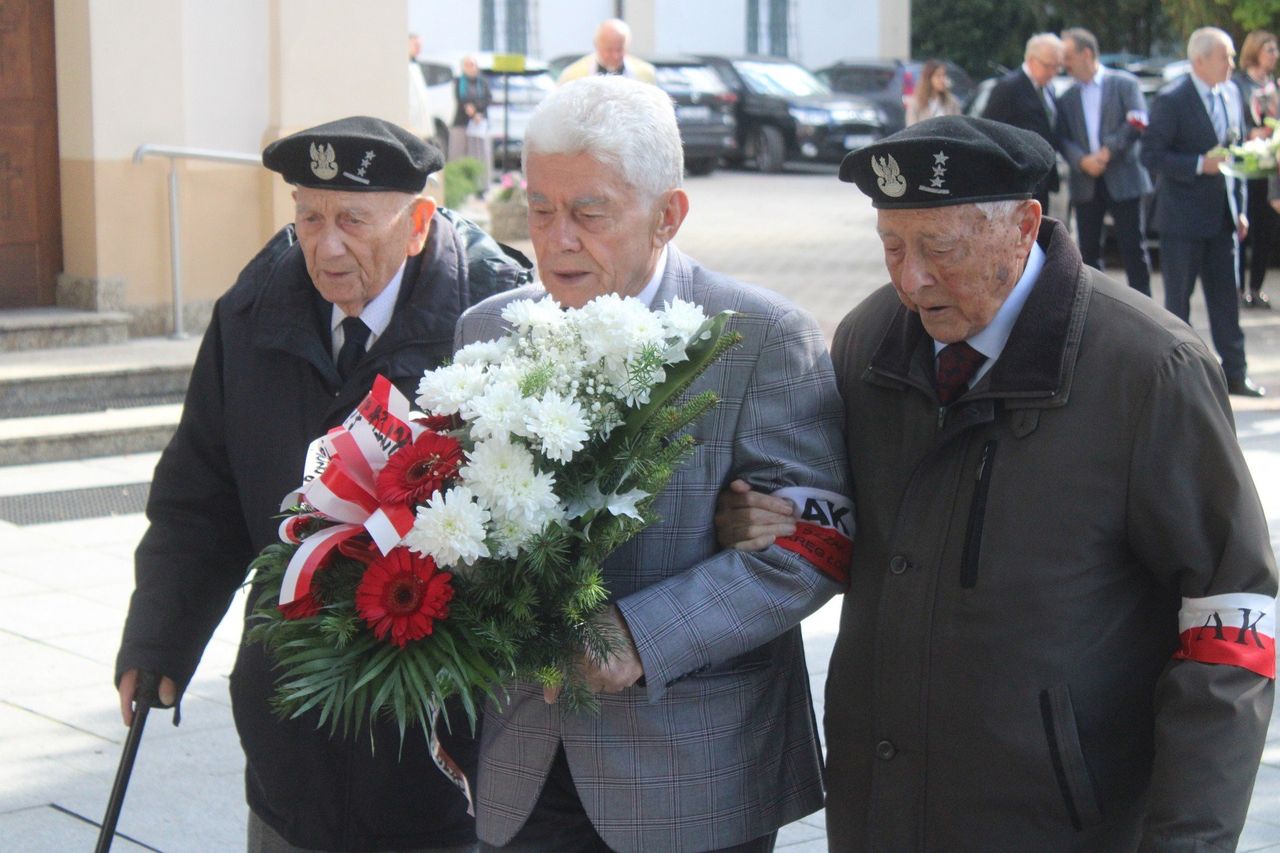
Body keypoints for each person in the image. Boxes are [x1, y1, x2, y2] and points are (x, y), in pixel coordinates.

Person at [716, 115, 1277, 850]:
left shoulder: (1148, 369)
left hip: (1060, 825)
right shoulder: (869, 340)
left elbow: (1231, 624)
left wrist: (1187, 840)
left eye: (939, 248)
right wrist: (765, 519)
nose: (912, 279)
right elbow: (859, 528)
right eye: (891, 246)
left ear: (1023, 225)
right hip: (881, 811)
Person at [458, 75, 852, 852]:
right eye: (539, 209)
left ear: (668, 214)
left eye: (588, 213)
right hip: (523, 762)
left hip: (692, 775)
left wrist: (638, 637)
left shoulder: (762, 338)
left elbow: (808, 553)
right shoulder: (485, 331)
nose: (556, 237)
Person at [115, 116, 529, 852]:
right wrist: (160, 636)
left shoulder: (493, 318)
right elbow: (199, 494)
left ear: (416, 223)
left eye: (351, 219)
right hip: (290, 736)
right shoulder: (251, 312)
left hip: (439, 743)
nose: (325, 244)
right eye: (308, 216)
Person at [1142, 27, 1264, 397]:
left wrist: (1240, 208)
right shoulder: (1172, 100)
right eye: (1224, 56)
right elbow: (1152, 155)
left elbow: (1236, 153)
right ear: (1200, 60)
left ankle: (1236, 373)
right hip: (1182, 220)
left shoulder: (1230, 93)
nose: (1231, 64)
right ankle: (1179, 380)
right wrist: (1198, 164)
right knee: (1178, 302)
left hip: (1224, 219)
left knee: (1226, 300)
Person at [1056, 27, 1153, 295]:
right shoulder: (1066, 98)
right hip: (1086, 181)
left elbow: (1138, 120)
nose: (1064, 64)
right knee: (1088, 253)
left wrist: (1108, 151)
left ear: (1086, 54)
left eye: (1068, 57)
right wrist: (1081, 161)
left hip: (1124, 178)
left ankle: (1147, 313)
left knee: (1134, 249)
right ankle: (1093, 311)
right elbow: (1061, 137)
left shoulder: (1125, 84)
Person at [982, 33, 1065, 209]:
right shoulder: (1008, 87)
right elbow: (989, 131)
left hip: (1042, 179)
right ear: (1031, 60)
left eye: (1057, 67)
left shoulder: (1048, 88)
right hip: (1018, 182)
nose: (1053, 72)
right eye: (1049, 66)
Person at [1234, 30, 1279, 308]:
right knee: (1243, 230)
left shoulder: (1273, 85)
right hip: (1247, 169)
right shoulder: (1239, 85)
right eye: (1270, 49)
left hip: (1270, 170)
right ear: (1255, 52)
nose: (1275, 55)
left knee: (1266, 231)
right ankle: (1238, 289)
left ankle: (1256, 287)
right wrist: (1253, 133)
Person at [557, 18, 656, 84]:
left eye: (620, 49)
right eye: (609, 50)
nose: (615, 55)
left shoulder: (646, 74)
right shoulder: (572, 76)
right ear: (596, 45)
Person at [450, 55, 493, 188]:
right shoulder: (458, 82)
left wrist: (476, 112)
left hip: (479, 123)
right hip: (462, 121)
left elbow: (488, 99)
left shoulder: (483, 82)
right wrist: (471, 111)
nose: (470, 67)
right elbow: (460, 98)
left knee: (481, 154)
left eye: (472, 64)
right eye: (467, 65)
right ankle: (457, 185)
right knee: (458, 154)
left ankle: (482, 186)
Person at [905, 59, 961, 127]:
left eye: (944, 75)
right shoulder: (916, 104)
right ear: (928, 78)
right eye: (938, 76)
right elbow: (911, 130)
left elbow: (958, 128)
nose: (942, 79)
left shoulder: (952, 102)